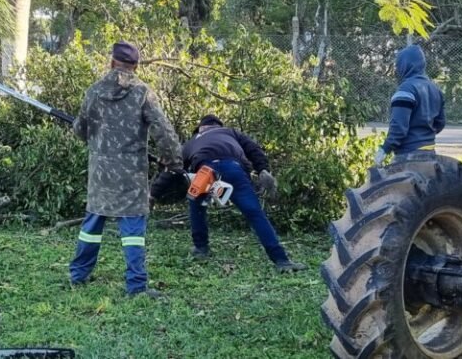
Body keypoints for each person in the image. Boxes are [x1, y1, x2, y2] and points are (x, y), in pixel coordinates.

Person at [69, 40, 183, 298]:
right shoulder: (142, 92)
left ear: (111, 62)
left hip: (100, 172)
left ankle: (78, 275)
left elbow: (80, 129)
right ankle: (136, 286)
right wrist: (174, 161)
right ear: (136, 66)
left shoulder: (94, 91)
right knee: (133, 231)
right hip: (131, 173)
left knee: (93, 223)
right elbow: (162, 130)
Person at [181, 114, 306, 273]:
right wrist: (263, 169)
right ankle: (281, 260)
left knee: (196, 203)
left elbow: (177, 168)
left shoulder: (192, 141)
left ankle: (201, 248)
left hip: (204, 171)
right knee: (254, 212)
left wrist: (160, 192)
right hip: (233, 169)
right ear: (218, 126)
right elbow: (253, 149)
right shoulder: (230, 132)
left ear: (200, 128)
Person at [375, 44, 446, 166]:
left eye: (398, 65)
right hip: (430, 154)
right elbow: (440, 123)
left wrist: (385, 149)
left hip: (408, 156)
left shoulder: (406, 90)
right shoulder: (435, 89)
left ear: (404, 65)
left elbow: (399, 128)